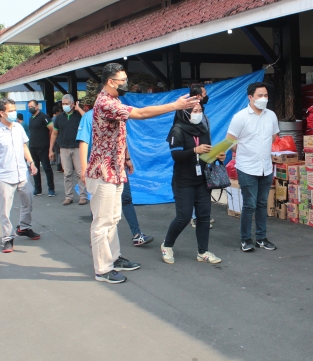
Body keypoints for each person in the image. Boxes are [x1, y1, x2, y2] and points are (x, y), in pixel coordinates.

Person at [83, 62, 199, 284]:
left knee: (114, 218)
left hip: (115, 170)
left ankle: (114, 258)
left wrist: (125, 157)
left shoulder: (114, 100)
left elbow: (116, 134)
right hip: (103, 171)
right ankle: (102, 269)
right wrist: (175, 105)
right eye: (122, 80)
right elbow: (142, 113)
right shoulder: (106, 102)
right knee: (102, 222)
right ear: (110, 82)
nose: (127, 84)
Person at [77, 84, 154, 247]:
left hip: (117, 168)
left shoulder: (116, 114)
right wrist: (84, 168)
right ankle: (98, 240)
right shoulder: (89, 117)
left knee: (123, 202)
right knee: (101, 209)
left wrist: (127, 159)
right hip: (99, 170)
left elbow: (121, 139)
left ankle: (136, 235)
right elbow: (83, 142)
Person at [161, 102, 225, 265]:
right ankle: (167, 245)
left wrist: (217, 156)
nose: (198, 114)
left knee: (204, 216)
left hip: (202, 179)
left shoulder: (203, 130)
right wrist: (194, 151)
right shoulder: (178, 130)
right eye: (194, 111)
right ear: (186, 113)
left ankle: (202, 251)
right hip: (183, 181)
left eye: (200, 111)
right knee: (183, 216)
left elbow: (206, 155)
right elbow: (176, 156)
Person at [0, 98, 40, 253]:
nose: (14, 113)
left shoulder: (18, 128)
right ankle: (7, 238)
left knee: (28, 202)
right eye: (10, 110)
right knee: (5, 209)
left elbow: (23, 145)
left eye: (14, 109)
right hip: (4, 176)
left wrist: (31, 162)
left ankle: (24, 227)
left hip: (22, 174)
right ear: (1, 113)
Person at [227, 82, 279, 252]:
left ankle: (262, 238)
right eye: (260, 95)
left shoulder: (271, 115)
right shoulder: (240, 117)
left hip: (266, 167)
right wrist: (246, 151)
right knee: (249, 204)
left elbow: (273, 136)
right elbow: (230, 141)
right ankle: (246, 239)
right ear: (250, 97)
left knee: (262, 203)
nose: (264, 98)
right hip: (247, 167)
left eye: (266, 95)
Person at [49, 94, 87, 206]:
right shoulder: (59, 118)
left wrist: (78, 108)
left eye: (67, 103)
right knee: (67, 174)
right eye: (63, 104)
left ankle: (83, 196)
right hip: (64, 148)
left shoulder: (78, 115)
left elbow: (87, 118)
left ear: (72, 104)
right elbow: (54, 133)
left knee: (81, 173)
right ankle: (68, 196)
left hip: (77, 148)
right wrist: (50, 149)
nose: (64, 106)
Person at [27, 99, 56, 197]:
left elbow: (52, 129)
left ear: (37, 106)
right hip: (32, 147)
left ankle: (51, 189)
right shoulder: (31, 118)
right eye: (29, 107)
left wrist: (47, 141)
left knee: (47, 168)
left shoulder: (44, 117)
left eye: (32, 106)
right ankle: (38, 189)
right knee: (35, 169)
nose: (30, 108)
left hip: (43, 146)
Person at [51, 105, 64, 173]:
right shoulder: (58, 118)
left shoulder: (52, 119)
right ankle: (60, 167)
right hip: (58, 139)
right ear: (57, 112)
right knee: (60, 154)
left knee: (57, 153)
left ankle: (57, 165)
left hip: (55, 140)